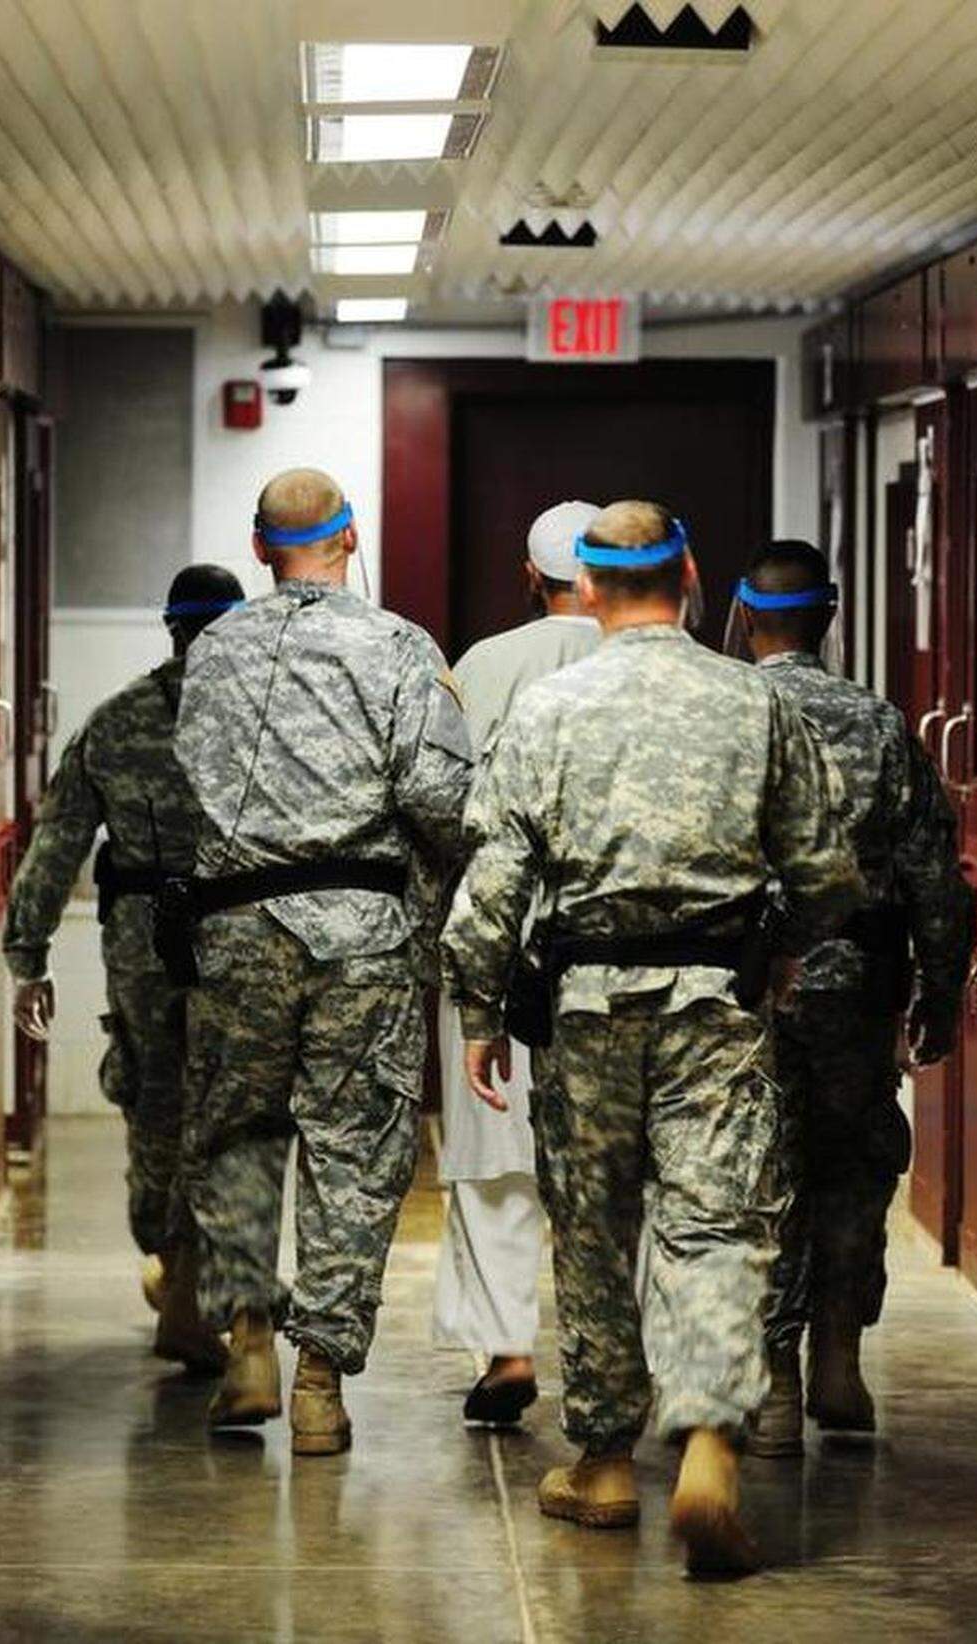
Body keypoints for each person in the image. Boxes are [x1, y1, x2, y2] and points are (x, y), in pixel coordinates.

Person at [441, 500, 863, 1576]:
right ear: (689, 577)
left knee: (593, 1229)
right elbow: (826, 876)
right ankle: (711, 1442)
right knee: (716, 1224)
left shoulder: (548, 709)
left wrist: (480, 1014)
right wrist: (775, 951)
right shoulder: (754, 703)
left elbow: (493, 885)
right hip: (718, 1003)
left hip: (585, 1009)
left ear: (585, 589)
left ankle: (605, 1464)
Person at [173, 468, 473, 1452]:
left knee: (237, 1138)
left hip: (236, 934)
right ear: (352, 538)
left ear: (260, 547)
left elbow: (192, 787)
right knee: (354, 1150)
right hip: (363, 937)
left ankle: (248, 1339)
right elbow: (441, 800)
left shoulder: (213, 650)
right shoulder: (399, 647)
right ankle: (319, 1388)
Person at [727, 541, 974, 1457]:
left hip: (750, 988)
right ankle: (838, 1358)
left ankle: (773, 1384)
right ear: (829, 616)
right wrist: (939, 993)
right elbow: (934, 875)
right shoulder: (879, 724)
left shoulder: (726, 715)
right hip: (856, 990)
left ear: (744, 615)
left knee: (758, 1178)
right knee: (853, 1167)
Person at [3, 563, 246, 1372]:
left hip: (142, 940)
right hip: (242, 936)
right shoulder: (266, 721)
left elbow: (55, 846)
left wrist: (28, 955)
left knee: (155, 1099)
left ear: (171, 628)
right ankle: (196, 1287)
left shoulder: (114, 722)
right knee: (233, 1107)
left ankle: (173, 1265)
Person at [434, 499, 602, 1427]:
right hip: (613, 950)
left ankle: (507, 1352)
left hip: (497, 942)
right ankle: (626, 1353)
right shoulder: (649, 663)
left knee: (495, 1153)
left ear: (531, 578)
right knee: (622, 1159)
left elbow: (443, 805)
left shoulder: (482, 665)